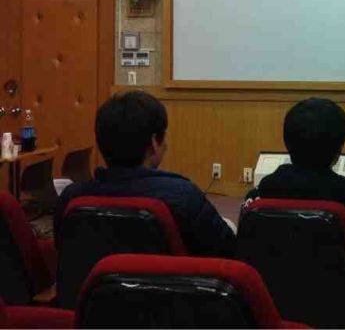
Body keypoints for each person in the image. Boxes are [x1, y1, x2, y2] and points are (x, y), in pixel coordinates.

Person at [54, 90, 236, 257]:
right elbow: (228, 254)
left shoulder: (70, 198)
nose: (166, 145)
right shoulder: (184, 197)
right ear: (154, 143)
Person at [242, 97, 345, 288]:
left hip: (270, 304)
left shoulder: (254, 201)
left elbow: (246, 263)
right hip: (344, 305)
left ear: (287, 143)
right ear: (339, 150)